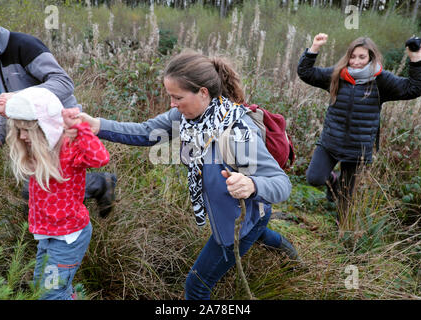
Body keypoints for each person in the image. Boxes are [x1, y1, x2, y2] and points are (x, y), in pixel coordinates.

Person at [76, 50, 299, 300]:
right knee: (260, 231)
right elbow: (146, 132)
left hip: (237, 223)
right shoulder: (186, 117)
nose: (172, 104)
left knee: (196, 286)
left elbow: (281, 184)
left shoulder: (236, 131)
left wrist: (251, 184)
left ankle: (289, 256)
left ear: (203, 92)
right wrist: (97, 126)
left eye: (177, 97)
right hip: (237, 213)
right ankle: (290, 255)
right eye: (171, 96)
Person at [0, 3, 116, 217]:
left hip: (59, 126)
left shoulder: (24, 45)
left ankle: (90, 196)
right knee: (37, 188)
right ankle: (95, 187)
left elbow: (63, 83)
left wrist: (22, 96)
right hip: (31, 132)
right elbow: (8, 103)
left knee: (37, 188)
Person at [297, 33, 421, 217]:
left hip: (357, 149)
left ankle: (342, 233)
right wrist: (314, 48)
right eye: (352, 56)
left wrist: (415, 59)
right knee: (314, 178)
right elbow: (306, 73)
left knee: (346, 197)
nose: (356, 61)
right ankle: (333, 181)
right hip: (330, 142)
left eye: (362, 57)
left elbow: (414, 88)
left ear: (370, 58)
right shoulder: (337, 75)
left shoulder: (380, 80)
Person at [0, 87, 110, 300]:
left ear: (46, 127)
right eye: (19, 130)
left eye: (28, 130)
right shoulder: (37, 150)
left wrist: (80, 129)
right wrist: (14, 108)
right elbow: (34, 113)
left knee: (50, 293)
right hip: (48, 234)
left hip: (68, 237)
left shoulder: (68, 149)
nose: (23, 137)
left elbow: (100, 158)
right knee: (44, 287)